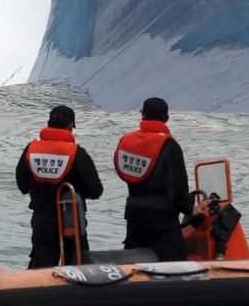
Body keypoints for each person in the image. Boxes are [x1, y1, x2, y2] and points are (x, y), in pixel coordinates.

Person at [16, 105, 103, 269]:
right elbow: (95, 190)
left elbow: (22, 186)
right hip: (72, 220)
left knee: (40, 267)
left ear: (48, 124)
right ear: (70, 126)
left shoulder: (31, 150)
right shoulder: (77, 153)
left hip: (42, 220)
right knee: (78, 268)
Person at [114, 97, 193, 261]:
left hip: (134, 215)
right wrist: (190, 210)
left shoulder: (126, 141)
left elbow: (124, 172)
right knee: (176, 260)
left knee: (133, 264)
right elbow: (178, 188)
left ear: (143, 116)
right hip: (162, 220)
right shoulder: (169, 146)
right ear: (166, 118)